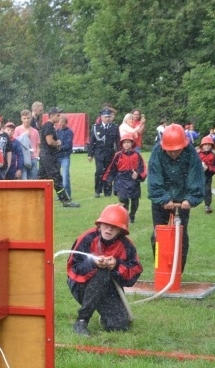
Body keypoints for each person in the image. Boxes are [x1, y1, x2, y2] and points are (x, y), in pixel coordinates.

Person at [67, 204, 143, 335]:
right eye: (106, 224)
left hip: (108, 289)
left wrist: (116, 265)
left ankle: (105, 314)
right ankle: (82, 320)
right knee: (102, 271)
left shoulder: (127, 246)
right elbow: (73, 270)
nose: (109, 229)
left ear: (121, 230)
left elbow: (133, 275)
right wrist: (93, 263)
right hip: (81, 286)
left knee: (119, 325)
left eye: (114, 226)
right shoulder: (87, 238)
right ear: (100, 224)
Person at [147, 123, 204, 272]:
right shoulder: (157, 152)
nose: (173, 154)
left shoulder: (191, 153)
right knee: (158, 235)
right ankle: (161, 269)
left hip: (182, 199)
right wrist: (163, 198)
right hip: (161, 202)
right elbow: (154, 177)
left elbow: (196, 176)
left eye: (177, 150)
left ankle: (178, 271)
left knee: (181, 236)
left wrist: (190, 198)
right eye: (170, 151)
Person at [38, 108, 80, 207]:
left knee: (41, 177)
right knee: (56, 177)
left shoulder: (48, 126)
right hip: (48, 156)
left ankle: (37, 199)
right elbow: (49, 141)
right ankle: (65, 201)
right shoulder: (48, 126)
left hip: (45, 155)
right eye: (57, 115)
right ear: (51, 115)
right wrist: (57, 143)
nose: (59, 117)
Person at [103, 134, 146, 223]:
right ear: (122, 144)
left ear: (132, 143)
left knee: (135, 200)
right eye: (124, 142)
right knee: (123, 198)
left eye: (128, 142)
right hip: (121, 179)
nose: (126, 144)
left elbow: (142, 168)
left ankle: (132, 215)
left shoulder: (137, 155)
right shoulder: (118, 155)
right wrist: (109, 179)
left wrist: (138, 174)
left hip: (133, 179)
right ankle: (125, 215)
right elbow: (112, 168)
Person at [88, 107, 120, 197]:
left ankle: (108, 191)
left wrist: (119, 152)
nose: (107, 118)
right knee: (99, 171)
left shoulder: (114, 127)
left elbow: (117, 141)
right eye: (105, 117)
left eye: (109, 116)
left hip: (110, 153)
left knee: (108, 172)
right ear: (101, 117)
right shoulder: (96, 127)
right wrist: (90, 154)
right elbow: (92, 141)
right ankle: (98, 191)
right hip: (99, 153)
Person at [197, 136, 215, 213]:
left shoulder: (212, 155)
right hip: (198, 176)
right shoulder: (197, 154)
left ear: (211, 146)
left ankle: (207, 206)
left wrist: (208, 168)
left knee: (207, 190)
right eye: (205, 144)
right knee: (194, 189)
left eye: (209, 144)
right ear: (202, 146)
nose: (207, 146)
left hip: (207, 176)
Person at [13, 109, 40, 179]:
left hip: (33, 158)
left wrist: (37, 157)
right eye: (24, 118)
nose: (26, 120)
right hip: (22, 158)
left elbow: (38, 145)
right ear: (21, 119)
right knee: (24, 180)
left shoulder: (35, 131)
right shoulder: (17, 129)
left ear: (31, 118)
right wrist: (24, 135)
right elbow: (15, 142)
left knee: (33, 180)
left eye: (28, 118)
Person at [56, 114, 74, 198]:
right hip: (57, 156)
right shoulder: (57, 131)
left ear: (66, 123)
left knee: (65, 177)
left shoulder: (69, 132)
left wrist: (59, 147)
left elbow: (68, 145)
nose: (61, 125)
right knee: (58, 176)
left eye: (63, 124)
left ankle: (67, 195)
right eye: (60, 123)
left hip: (65, 157)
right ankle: (60, 195)